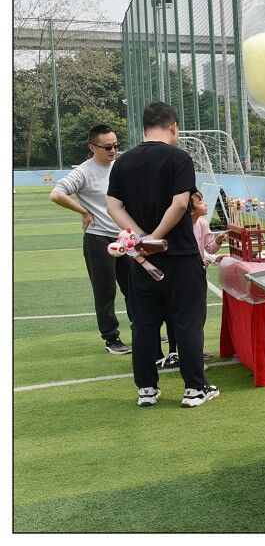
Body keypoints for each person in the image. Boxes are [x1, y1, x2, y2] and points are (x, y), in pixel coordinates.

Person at [106, 101, 219, 408]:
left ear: (144, 128)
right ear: (173, 128)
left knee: (144, 324)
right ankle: (195, 388)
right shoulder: (178, 157)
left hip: (143, 261)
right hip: (180, 256)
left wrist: (141, 238)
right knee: (187, 322)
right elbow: (181, 204)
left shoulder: (123, 161)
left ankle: (146, 388)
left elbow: (113, 206)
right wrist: (155, 237)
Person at [49, 124, 133, 355]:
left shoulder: (120, 166)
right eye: (107, 147)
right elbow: (56, 194)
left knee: (134, 288)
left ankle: (142, 328)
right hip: (98, 239)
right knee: (105, 292)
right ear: (92, 147)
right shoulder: (84, 172)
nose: (113, 151)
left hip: (125, 238)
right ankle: (111, 338)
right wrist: (84, 212)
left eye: (116, 145)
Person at [156, 190, 226, 369]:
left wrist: (217, 242)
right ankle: (179, 353)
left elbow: (208, 248)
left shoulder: (202, 223)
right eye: (200, 201)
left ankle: (193, 351)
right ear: (190, 209)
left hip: (197, 274)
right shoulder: (178, 226)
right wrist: (201, 259)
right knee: (180, 316)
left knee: (197, 317)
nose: (205, 204)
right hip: (181, 277)